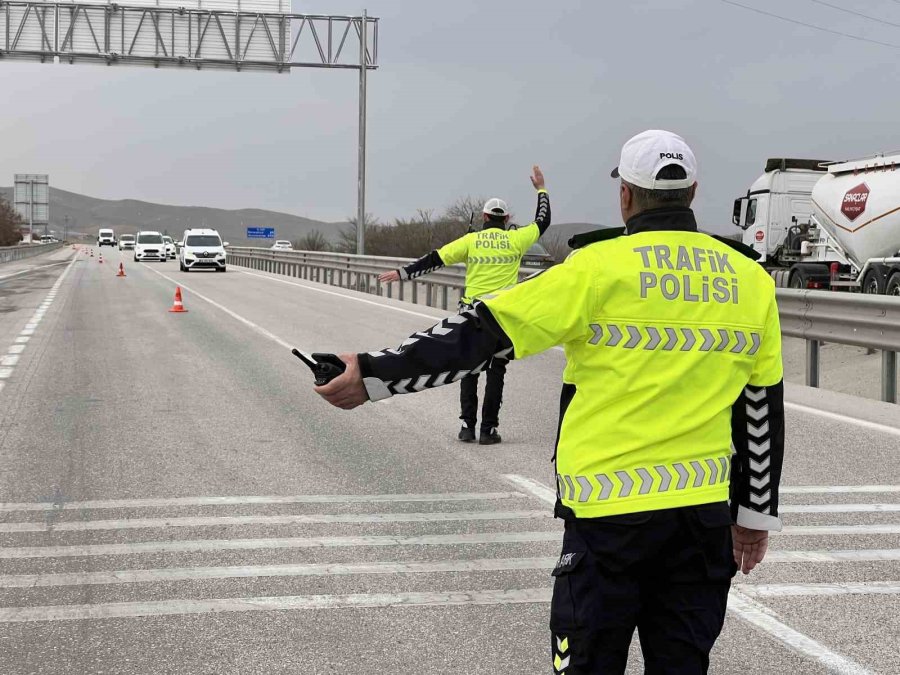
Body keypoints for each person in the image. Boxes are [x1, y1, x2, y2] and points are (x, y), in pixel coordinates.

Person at [315, 131, 785, 674]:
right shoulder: (751, 280)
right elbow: (760, 408)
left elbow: (481, 334)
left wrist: (374, 375)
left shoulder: (597, 268)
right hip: (702, 522)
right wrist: (754, 516)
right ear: (693, 192)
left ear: (626, 197)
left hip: (608, 522)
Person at [377, 167, 551, 445]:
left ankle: (466, 426)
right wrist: (541, 189)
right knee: (496, 371)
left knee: (468, 368)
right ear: (506, 219)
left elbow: (436, 259)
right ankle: (488, 430)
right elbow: (543, 221)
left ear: (483, 217)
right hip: (502, 316)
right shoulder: (517, 239)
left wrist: (403, 273)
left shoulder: (471, 240)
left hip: (471, 313)